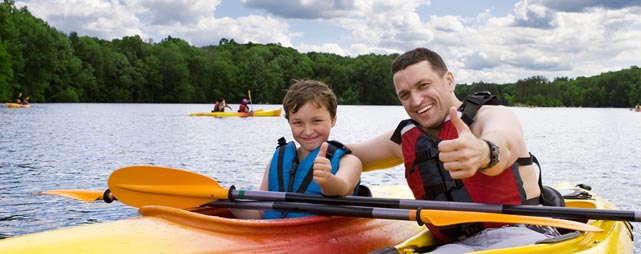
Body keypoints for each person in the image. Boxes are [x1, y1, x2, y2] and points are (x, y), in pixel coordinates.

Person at [348, 48, 559, 253]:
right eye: (405, 95)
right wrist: (317, 136)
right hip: (456, 246)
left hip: (523, 236)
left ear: (449, 81)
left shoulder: (491, 116)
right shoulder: (404, 140)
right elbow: (351, 155)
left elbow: (504, 141)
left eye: (423, 85)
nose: (416, 100)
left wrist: (484, 152)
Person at [235, 80, 362, 219]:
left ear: (333, 119)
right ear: (289, 122)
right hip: (274, 235)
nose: (308, 131)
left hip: (322, 236)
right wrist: (230, 203)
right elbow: (260, 212)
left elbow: (342, 187)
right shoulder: (276, 161)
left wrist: (327, 181)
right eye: (298, 123)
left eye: (316, 121)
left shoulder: (350, 162)